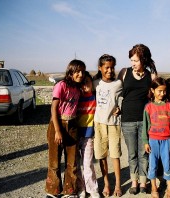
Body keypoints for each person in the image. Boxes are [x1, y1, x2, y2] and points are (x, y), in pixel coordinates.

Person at [118, 44, 157, 194]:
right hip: (127, 120)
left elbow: (158, 95)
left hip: (145, 121)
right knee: (132, 153)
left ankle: (143, 182)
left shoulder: (151, 76)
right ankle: (134, 183)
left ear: (144, 60)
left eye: (136, 60)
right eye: (131, 60)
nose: (132, 63)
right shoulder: (124, 72)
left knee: (144, 152)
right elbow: (114, 91)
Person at [45, 59, 86, 198]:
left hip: (72, 124)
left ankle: (70, 190)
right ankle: (53, 191)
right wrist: (57, 131)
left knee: (72, 161)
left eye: (82, 71)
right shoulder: (61, 85)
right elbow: (54, 108)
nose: (80, 74)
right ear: (70, 71)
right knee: (54, 160)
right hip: (58, 124)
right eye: (77, 71)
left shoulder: (78, 89)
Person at [142, 77, 170, 198]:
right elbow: (145, 127)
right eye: (159, 91)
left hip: (166, 141)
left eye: (164, 91)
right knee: (152, 165)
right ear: (152, 90)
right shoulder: (148, 107)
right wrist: (145, 142)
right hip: (153, 141)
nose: (162, 94)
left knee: (167, 165)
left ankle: (169, 190)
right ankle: (154, 188)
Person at [93, 54, 123, 197]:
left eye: (112, 67)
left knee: (115, 155)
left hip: (113, 124)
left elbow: (124, 98)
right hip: (99, 124)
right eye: (106, 68)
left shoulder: (118, 84)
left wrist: (120, 108)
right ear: (100, 68)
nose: (110, 70)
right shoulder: (95, 83)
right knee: (101, 156)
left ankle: (117, 185)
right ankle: (106, 184)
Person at [76, 71, 100, 198]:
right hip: (75, 135)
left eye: (88, 81)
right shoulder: (77, 97)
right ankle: (81, 188)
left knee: (87, 163)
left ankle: (92, 188)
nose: (85, 84)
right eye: (82, 82)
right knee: (76, 164)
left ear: (92, 83)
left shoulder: (95, 97)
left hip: (89, 135)